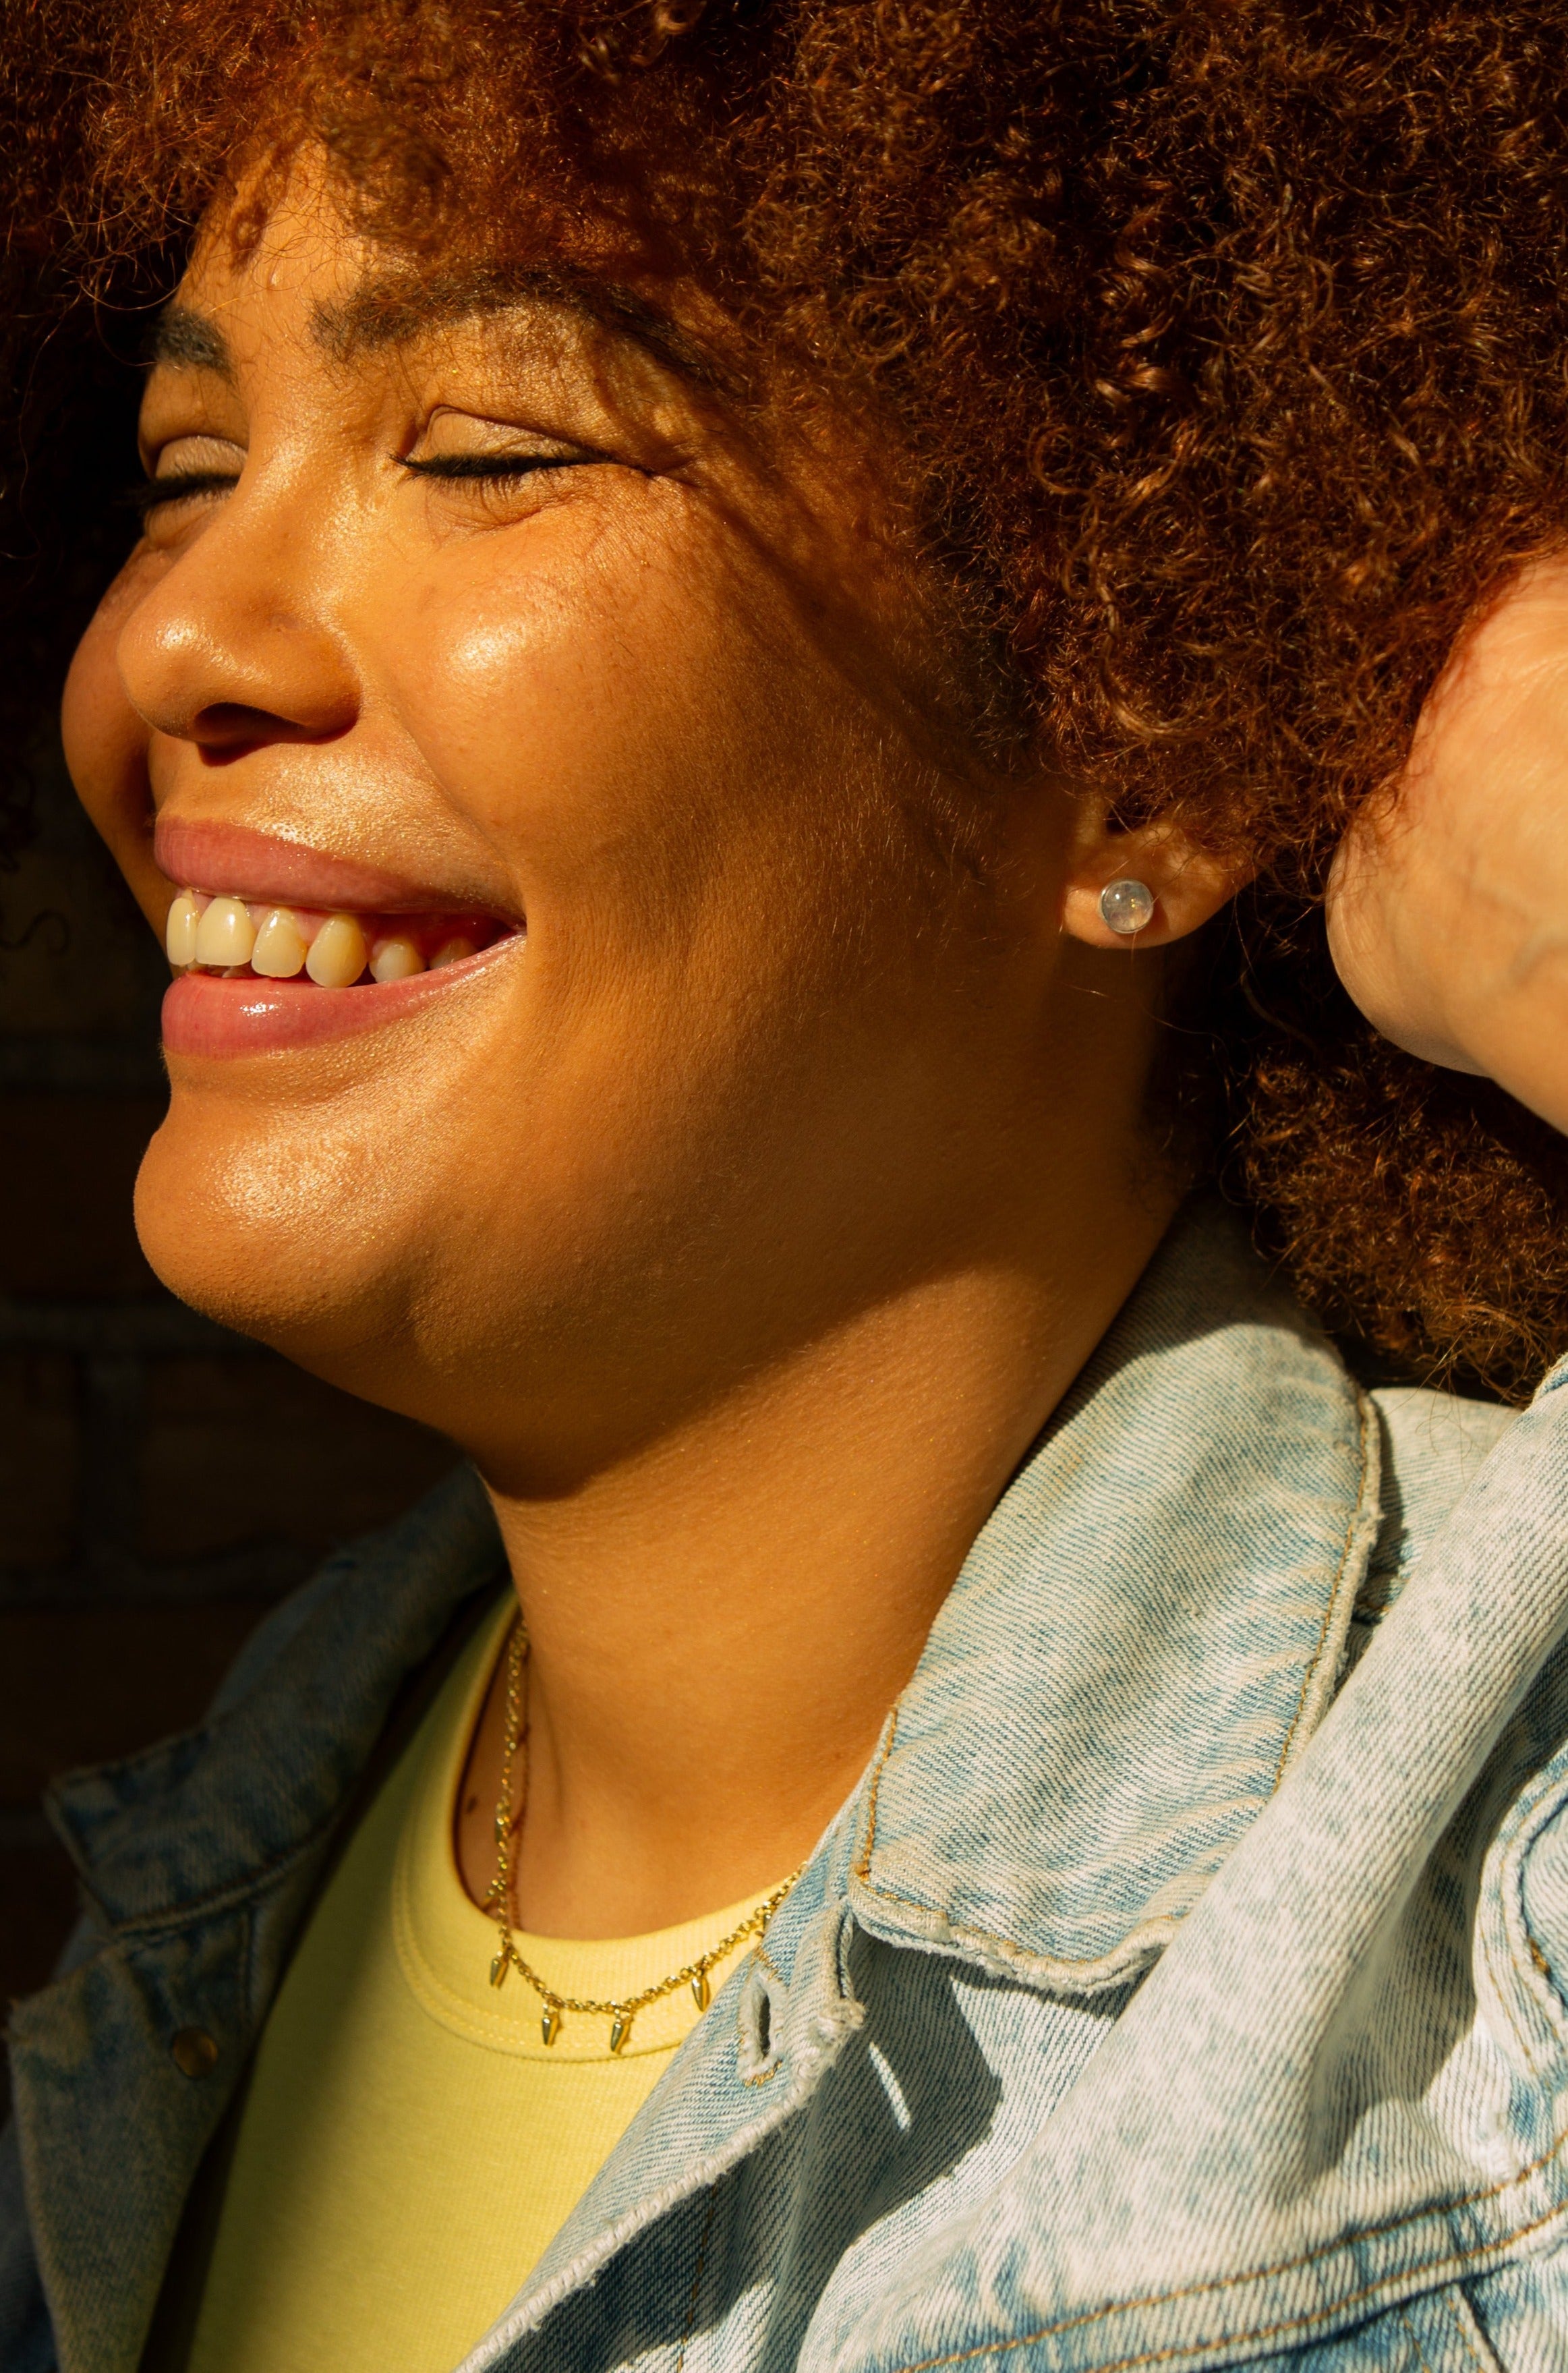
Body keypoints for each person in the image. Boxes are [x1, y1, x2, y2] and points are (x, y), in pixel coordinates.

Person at [5, 4, 1568, 2368]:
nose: (183, 636)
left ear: (1126, 743)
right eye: (184, 463)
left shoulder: (1493, 1923)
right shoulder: (191, 1919)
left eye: (492, 449)